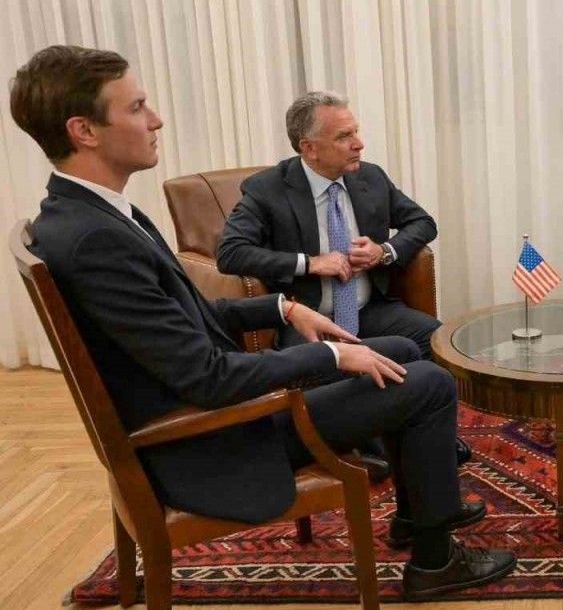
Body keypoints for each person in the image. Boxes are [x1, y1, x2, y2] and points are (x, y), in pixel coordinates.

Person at [12, 46, 512, 599]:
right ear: (84, 130)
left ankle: (417, 520)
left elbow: (190, 319)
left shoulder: (89, 216)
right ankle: (436, 564)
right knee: (429, 383)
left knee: (402, 349)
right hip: (212, 440)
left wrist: (284, 308)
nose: (156, 120)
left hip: (211, 413)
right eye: (136, 107)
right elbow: (210, 377)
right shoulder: (96, 240)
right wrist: (332, 354)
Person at [216, 91, 470, 473]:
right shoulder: (267, 189)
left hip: (369, 309)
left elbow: (422, 223)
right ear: (309, 148)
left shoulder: (370, 177)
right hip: (309, 318)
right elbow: (231, 252)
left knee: (433, 337)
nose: (359, 143)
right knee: (317, 368)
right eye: (344, 136)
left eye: (356, 132)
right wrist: (309, 263)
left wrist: (384, 251)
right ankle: (365, 444)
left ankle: (427, 437)